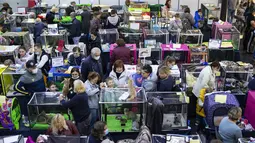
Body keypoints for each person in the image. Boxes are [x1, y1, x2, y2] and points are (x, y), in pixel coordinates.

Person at [14, 60, 46, 125]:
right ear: (28, 68)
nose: (34, 69)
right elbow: (16, 87)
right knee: (33, 110)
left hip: (42, 94)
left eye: (35, 67)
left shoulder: (39, 71)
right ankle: (31, 119)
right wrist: (27, 93)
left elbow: (43, 81)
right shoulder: (25, 77)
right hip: (33, 97)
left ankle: (42, 116)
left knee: (42, 109)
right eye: (32, 68)